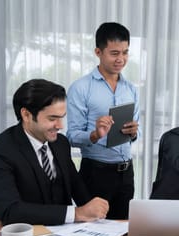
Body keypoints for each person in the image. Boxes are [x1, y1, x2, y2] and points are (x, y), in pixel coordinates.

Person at [0, 79, 109, 225]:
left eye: (62, 118)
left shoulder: (61, 143)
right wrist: (77, 213)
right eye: (52, 118)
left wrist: (96, 210)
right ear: (26, 115)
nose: (60, 126)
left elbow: (78, 189)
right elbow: (10, 211)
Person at [67, 22, 140, 220]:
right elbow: (72, 136)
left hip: (126, 173)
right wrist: (95, 134)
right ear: (98, 52)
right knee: (93, 233)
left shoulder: (131, 89)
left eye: (125, 52)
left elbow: (136, 133)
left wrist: (134, 133)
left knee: (124, 230)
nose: (121, 59)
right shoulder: (80, 88)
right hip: (96, 173)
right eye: (114, 53)